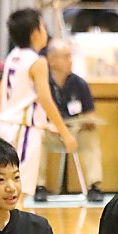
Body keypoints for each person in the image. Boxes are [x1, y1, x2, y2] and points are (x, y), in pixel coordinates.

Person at [0, 9, 77, 208]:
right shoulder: (37, 62)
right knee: (16, 192)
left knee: (5, 191)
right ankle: (14, 228)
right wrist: (65, 133)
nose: (46, 31)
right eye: (43, 27)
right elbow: (45, 99)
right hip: (23, 131)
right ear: (35, 33)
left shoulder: (13, 56)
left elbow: (2, 95)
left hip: (6, 125)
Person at [35, 39, 105, 203]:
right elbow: (35, 113)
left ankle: (94, 186)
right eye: (65, 56)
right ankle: (39, 186)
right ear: (51, 60)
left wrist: (88, 122)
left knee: (90, 136)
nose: (70, 60)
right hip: (50, 131)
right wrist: (47, 125)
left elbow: (90, 113)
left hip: (75, 131)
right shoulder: (42, 83)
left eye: (70, 56)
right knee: (36, 135)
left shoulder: (80, 84)